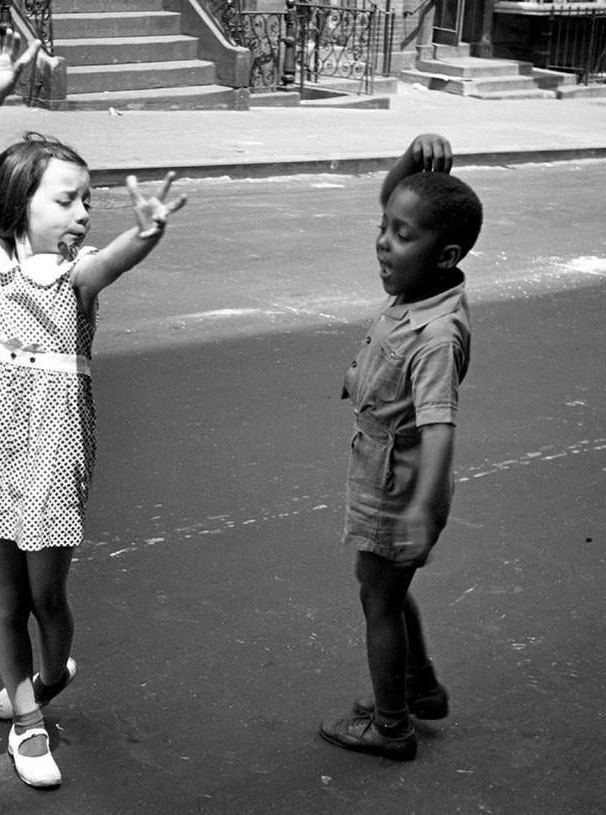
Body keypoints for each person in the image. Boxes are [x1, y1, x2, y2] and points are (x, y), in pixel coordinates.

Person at [0, 29, 186, 788]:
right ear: (16, 206)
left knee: (47, 597)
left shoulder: (76, 280)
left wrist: (144, 233)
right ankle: (28, 724)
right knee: (3, 598)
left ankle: (53, 671)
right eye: (66, 199)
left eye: (87, 200)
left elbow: (110, 260)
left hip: (51, 455)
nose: (82, 212)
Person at [319, 134, 483, 761]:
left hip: (399, 484)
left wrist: (417, 508)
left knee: (379, 598)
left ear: (444, 256)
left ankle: (391, 726)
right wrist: (413, 160)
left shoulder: (435, 334)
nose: (384, 242)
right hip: (385, 471)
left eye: (402, 235)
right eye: (384, 228)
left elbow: (440, 427)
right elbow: (397, 195)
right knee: (384, 586)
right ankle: (419, 687)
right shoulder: (421, 287)